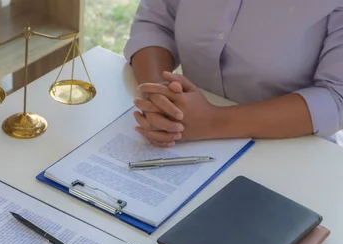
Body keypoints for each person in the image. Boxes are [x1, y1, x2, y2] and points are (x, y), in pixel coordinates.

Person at [124, 0, 343, 148]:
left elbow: (336, 97)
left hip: (290, 153)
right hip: (183, 136)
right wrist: (159, 98)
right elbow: (155, 24)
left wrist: (211, 121)